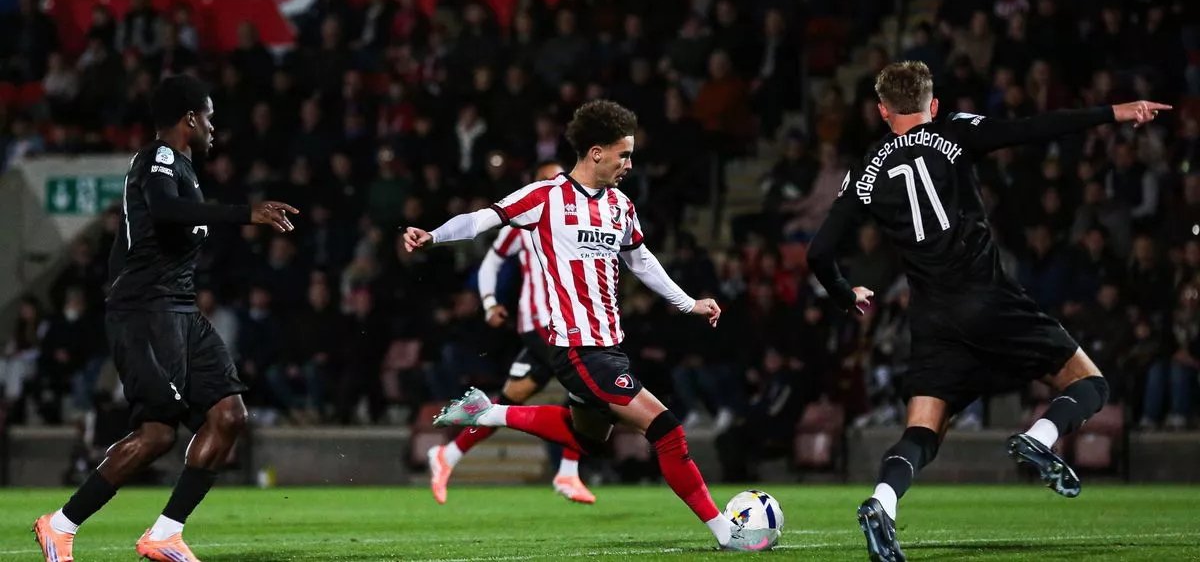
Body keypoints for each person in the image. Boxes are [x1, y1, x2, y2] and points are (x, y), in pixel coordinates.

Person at [805, 61, 1170, 562]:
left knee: (921, 433)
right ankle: (1041, 436)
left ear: (882, 110)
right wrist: (1115, 112)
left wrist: (846, 295)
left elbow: (818, 253)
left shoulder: (866, 171)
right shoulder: (953, 132)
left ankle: (881, 502)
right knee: (1091, 385)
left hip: (933, 320)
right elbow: (1033, 127)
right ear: (933, 105)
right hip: (987, 298)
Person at [403, 100, 764, 551]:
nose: (629, 164)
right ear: (596, 153)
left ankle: (490, 413)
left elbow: (641, 261)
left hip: (610, 346)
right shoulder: (545, 197)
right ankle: (727, 534)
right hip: (578, 349)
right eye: (623, 155)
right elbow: (480, 221)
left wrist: (688, 303)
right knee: (667, 431)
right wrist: (433, 235)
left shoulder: (620, 206)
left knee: (585, 439)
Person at [33, 74, 299, 562]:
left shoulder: (186, 170)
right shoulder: (157, 158)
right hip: (144, 310)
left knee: (228, 415)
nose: (214, 127)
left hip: (181, 310)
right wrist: (245, 213)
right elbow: (163, 208)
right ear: (190, 118)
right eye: (210, 117)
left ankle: (165, 534)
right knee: (157, 434)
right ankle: (60, 525)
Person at [427, 160, 600, 505]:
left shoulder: (578, 217)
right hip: (541, 322)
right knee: (590, 385)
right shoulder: (527, 217)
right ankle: (568, 471)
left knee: (510, 401)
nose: (556, 183)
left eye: (559, 176)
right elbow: (491, 262)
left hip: (562, 323)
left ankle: (448, 454)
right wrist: (489, 302)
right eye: (547, 178)